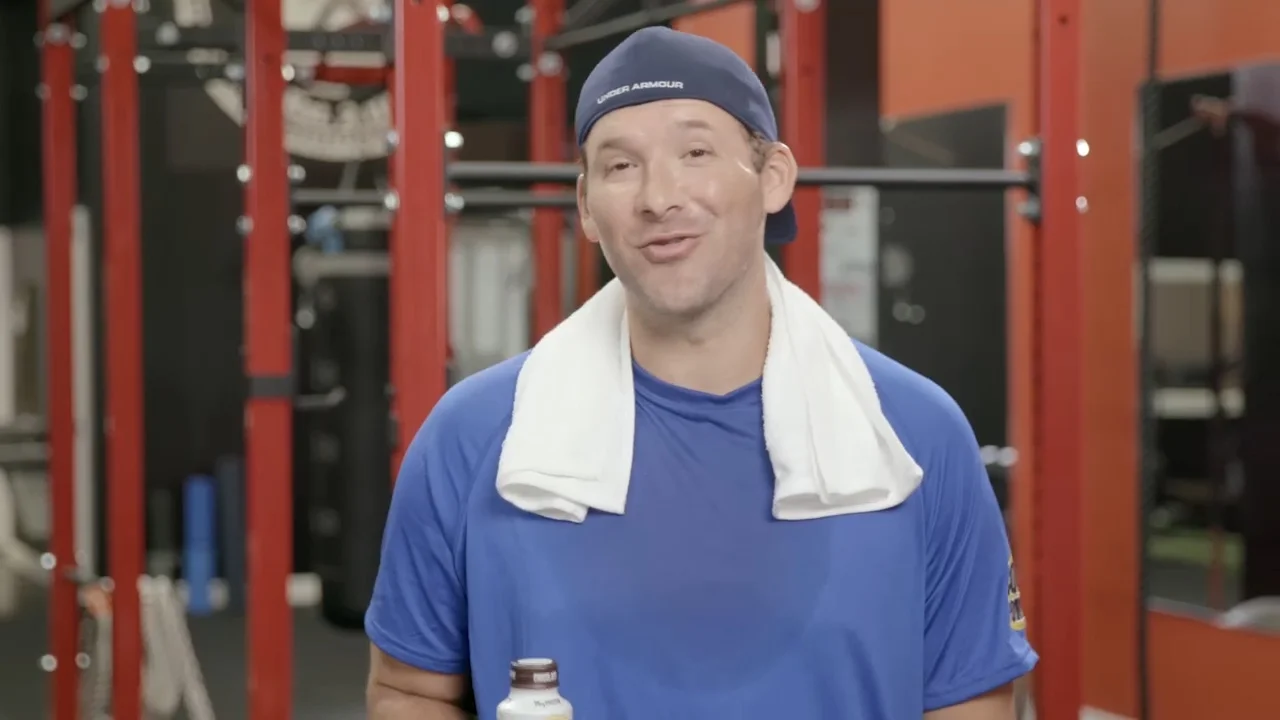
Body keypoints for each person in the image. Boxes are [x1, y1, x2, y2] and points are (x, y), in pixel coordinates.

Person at [365, 26, 1036, 719]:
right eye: (620, 165)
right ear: (587, 206)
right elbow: (409, 691)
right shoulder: (474, 437)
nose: (659, 197)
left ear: (773, 177)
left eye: (695, 152)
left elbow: (970, 700)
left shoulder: (913, 436)